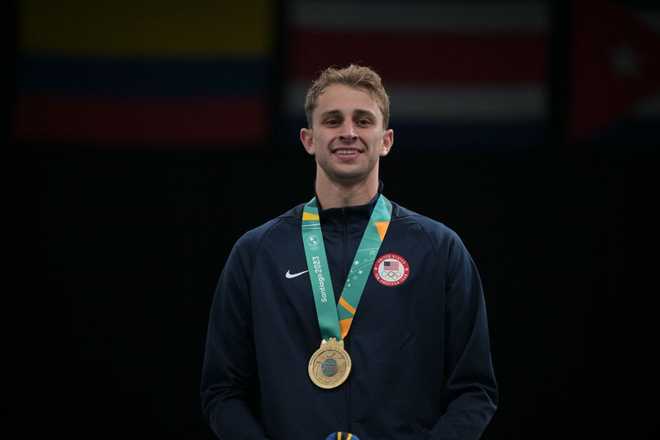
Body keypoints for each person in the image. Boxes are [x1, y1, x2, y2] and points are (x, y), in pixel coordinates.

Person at [200, 64, 498, 440]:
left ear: (386, 139)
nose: (348, 133)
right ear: (308, 138)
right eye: (332, 120)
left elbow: (475, 391)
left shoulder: (438, 250)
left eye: (362, 120)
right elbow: (221, 391)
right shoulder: (257, 252)